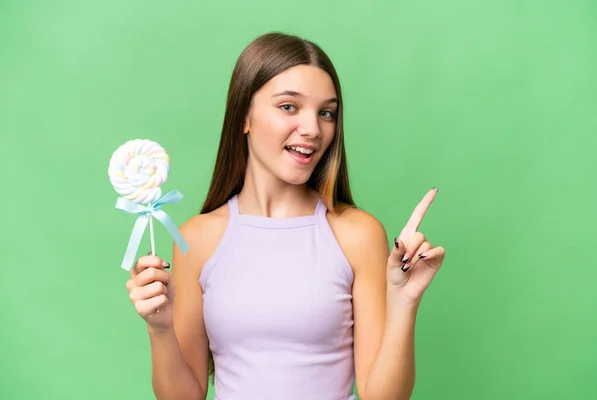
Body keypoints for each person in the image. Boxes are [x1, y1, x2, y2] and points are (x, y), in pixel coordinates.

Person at [125, 32, 446, 400]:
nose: (313, 129)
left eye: (326, 112)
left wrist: (404, 302)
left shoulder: (357, 234)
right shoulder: (196, 239)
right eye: (289, 107)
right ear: (244, 115)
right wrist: (160, 329)